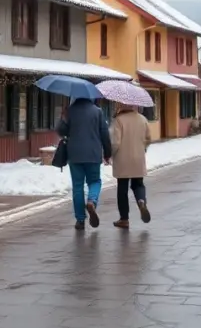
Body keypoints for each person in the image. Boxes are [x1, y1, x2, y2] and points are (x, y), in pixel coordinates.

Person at [57, 97, 112, 230]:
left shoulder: (69, 111)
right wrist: (107, 153)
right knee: (95, 181)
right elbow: (105, 134)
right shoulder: (97, 111)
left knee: (77, 187)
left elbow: (60, 131)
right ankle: (92, 201)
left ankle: (80, 220)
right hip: (93, 153)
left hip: (74, 155)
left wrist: (63, 116)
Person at [110, 103, 152, 229]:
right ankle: (141, 201)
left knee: (122, 189)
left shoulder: (118, 120)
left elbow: (115, 142)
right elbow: (148, 138)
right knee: (138, 184)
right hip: (138, 158)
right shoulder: (142, 119)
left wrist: (110, 154)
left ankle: (124, 219)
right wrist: (142, 148)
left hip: (123, 160)